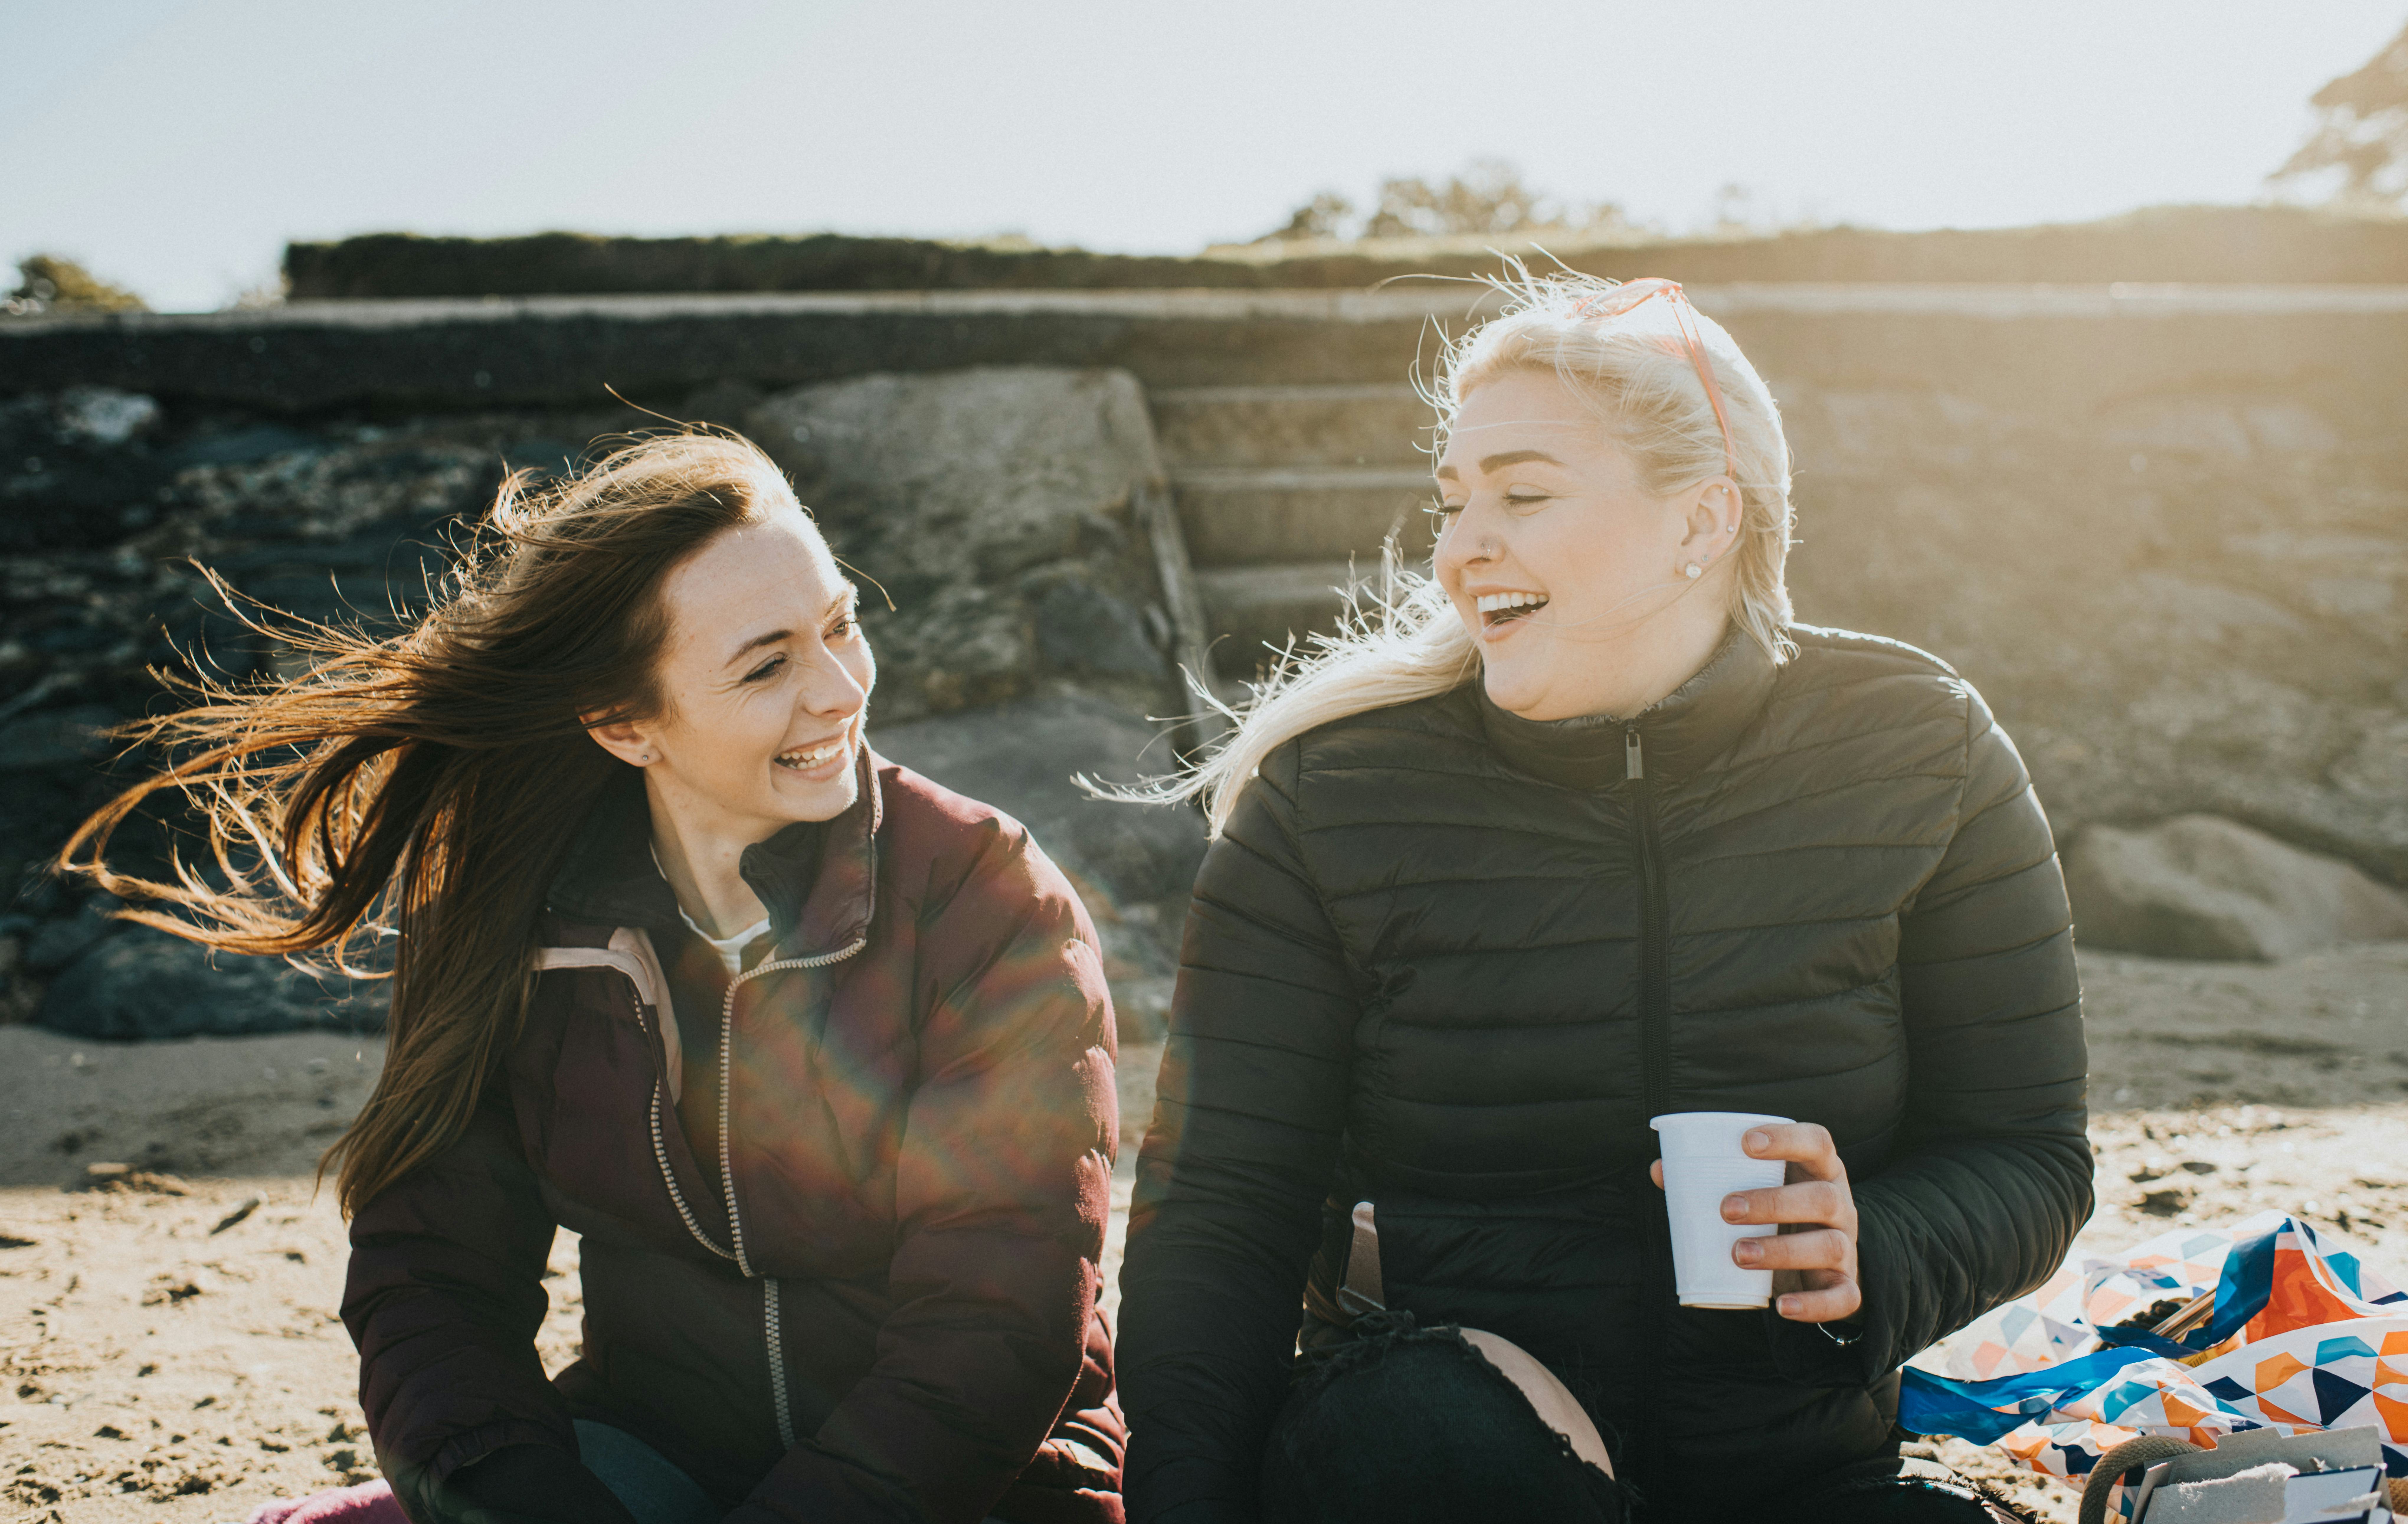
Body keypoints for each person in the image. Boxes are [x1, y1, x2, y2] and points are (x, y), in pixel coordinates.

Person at [1114, 274, 2089, 1523]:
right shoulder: (1328, 797)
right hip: (1435, 1458)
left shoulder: (1921, 749)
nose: (1461, 546)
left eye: (1521, 495)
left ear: (1703, 520)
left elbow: (2028, 1153)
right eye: (1454, 501)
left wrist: (1874, 1249)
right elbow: (1221, 1207)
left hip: (1788, 1467)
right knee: (1436, 1436)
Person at [62, 434, 1124, 1524]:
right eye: (766, 665)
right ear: (624, 722)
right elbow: (432, 1270)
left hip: (969, 1490)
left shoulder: (986, 893)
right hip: (645, 1460)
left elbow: (998, 1317)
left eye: (841, 624)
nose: (839, 689)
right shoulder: (512, 904)